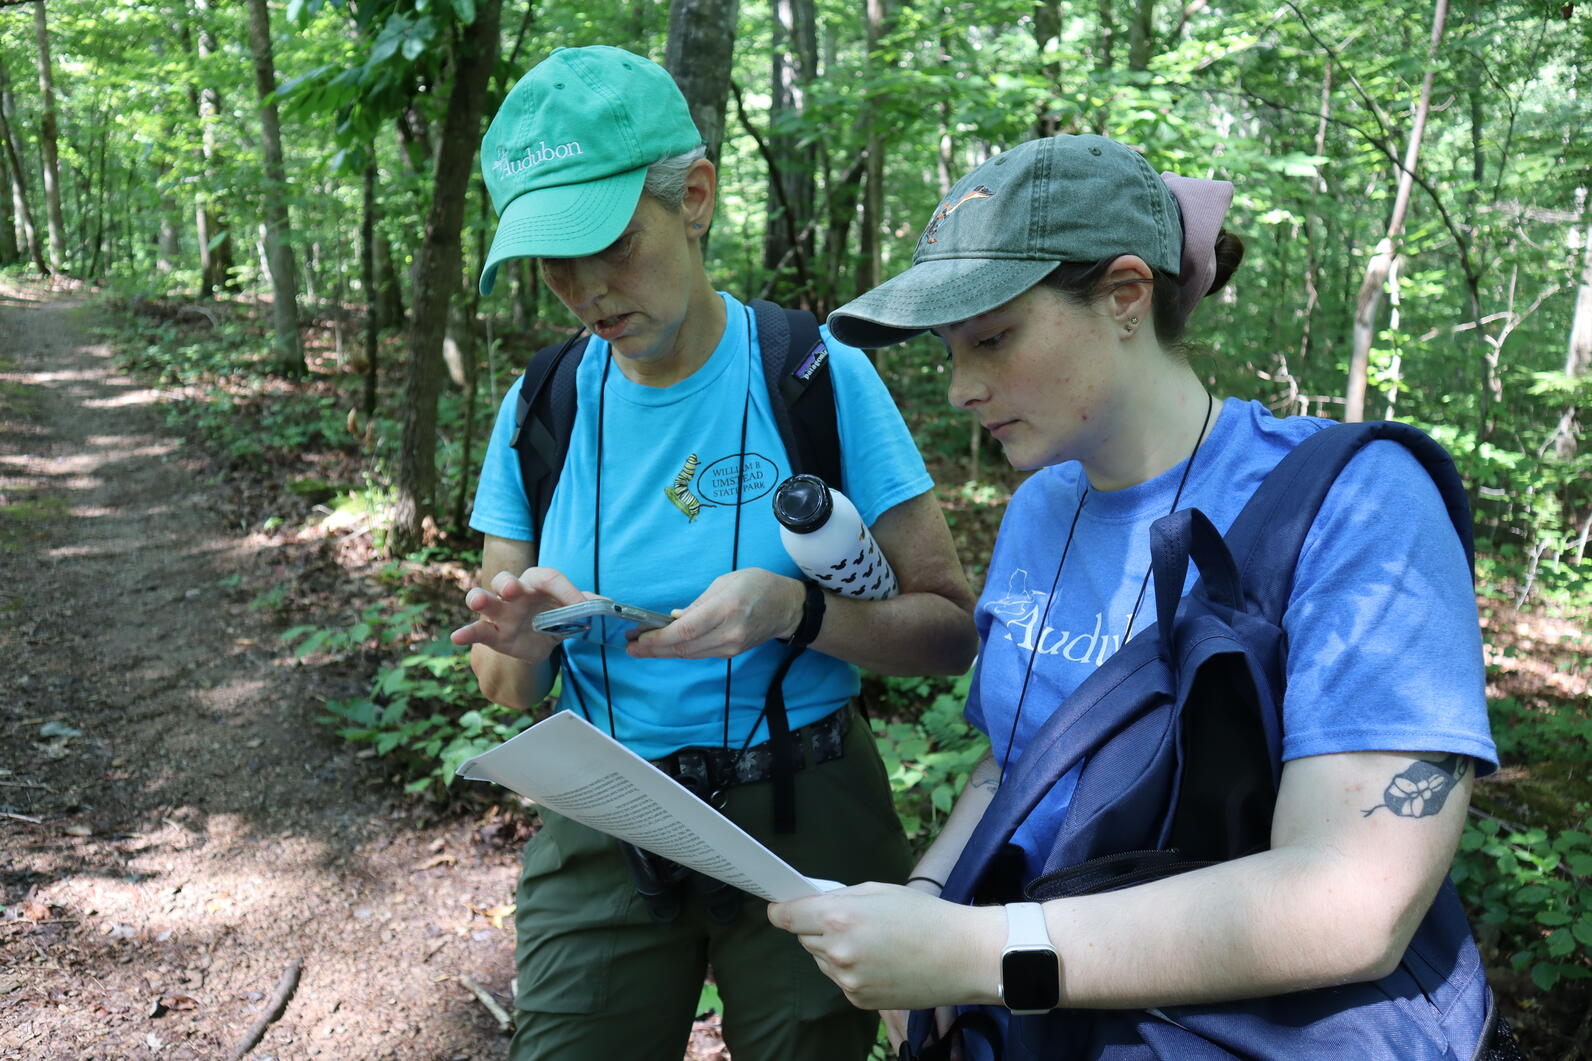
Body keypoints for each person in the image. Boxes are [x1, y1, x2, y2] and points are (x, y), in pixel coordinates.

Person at [767, 133, 1502, 1059]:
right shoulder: (1042, 507)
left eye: (992, 338)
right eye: (949, 349)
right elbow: (1015, 763)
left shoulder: (1355, 503)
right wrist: (926, 905)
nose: (959, 387)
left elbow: (1355, 902)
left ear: (1124, 295)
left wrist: (979, 950)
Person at [450, 45, 979, 1061]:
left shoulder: (815, 376)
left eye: (607, 241)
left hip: (805, 807)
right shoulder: (541, 407)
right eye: (549, 259)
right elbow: (506, 689)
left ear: (693, 196)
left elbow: (950, 630)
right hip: (605, 809)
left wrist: (796, 610)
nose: (581, 288)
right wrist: (528, 635)